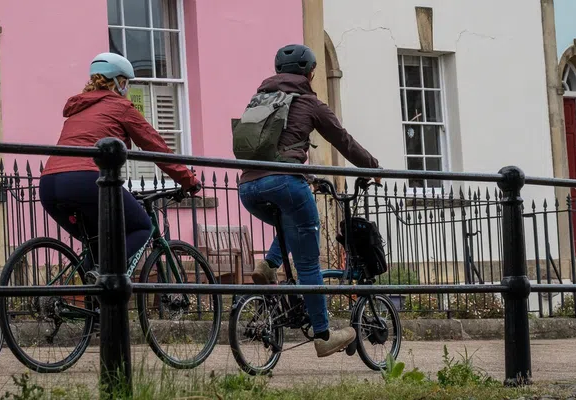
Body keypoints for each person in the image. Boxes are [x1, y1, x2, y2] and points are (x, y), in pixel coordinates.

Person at [238, 44, 381, 357]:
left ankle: (269, 263)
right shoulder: (309, 102)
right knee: (307, 260)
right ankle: (322, 334)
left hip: (247, 187)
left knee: (293, 221)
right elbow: (343, 140)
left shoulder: (260, 99)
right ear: (311, 72)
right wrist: (374, 168)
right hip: (284, 182)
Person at [40, 52, 201, 271]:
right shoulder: (120, 107)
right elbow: (155, 146)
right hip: (86, 180)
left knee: (98, 244)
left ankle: (91, 298)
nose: (127, 89)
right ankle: (107, 277)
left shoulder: (78, 109)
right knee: (142, 227)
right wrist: (188, 180)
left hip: (49, 185)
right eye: (127, 83)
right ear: (119, 82)